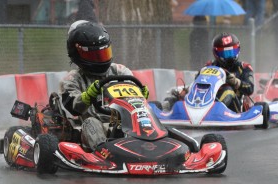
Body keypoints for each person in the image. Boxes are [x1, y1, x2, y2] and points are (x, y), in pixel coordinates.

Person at [60, 20, 149, 151]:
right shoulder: (72, 79)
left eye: (104, 53)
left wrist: (141, 96)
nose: (101, 59)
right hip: (97, 127)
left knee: (146, 115)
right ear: (77, 53)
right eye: (95, 55)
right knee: (91, 122)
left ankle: (155, 144)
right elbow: (73, 108)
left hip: (123, 124)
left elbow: (135, 103)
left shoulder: (120, 71)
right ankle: (104, 153)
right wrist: (88, 96)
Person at [163, 32, 254, 113]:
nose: (229, 57)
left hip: (235, 107)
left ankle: (213, 111)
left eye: (231, 52)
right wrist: (186, 92)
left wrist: (236, 82)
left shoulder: (244, 67)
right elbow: (198, 83)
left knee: (228, 91)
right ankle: (171, 107)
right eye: (225, 54)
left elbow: (250, 88)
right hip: (207, 99)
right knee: (180, 94)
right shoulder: (209, 66)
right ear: (216, 53)